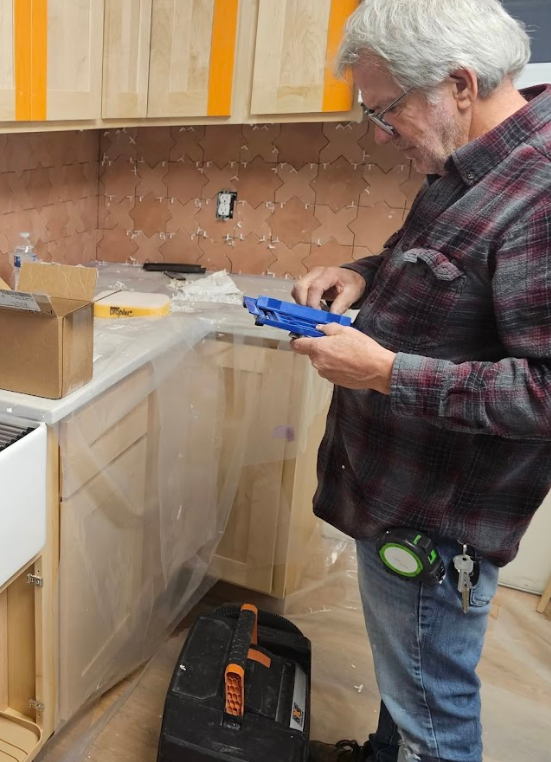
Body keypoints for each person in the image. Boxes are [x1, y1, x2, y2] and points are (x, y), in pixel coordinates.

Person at [288, 1, 550, 761]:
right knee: (408, 675)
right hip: (401, 497)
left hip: (440, 520)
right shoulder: (463, 166)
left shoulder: (539, 196)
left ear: (459, 86)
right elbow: (440, 269)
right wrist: (361, 274)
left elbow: (544, 390)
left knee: (434, 712)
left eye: (387, 109)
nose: (380, 132)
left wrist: (386, 373)